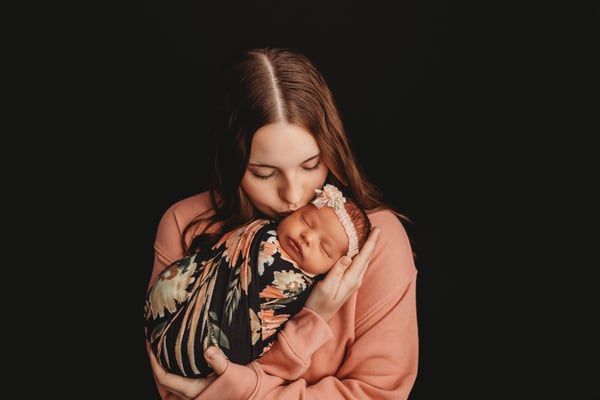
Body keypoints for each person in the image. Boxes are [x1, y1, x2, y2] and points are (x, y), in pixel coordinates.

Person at [146, 47, 419, 399]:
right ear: (231, 164)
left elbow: (378, 393)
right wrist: (311, 321)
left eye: (310, 165)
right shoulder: (185, 223)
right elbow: (174, 382)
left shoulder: (374, 241)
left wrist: (237, 390)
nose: (293, 195)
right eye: (264, 173)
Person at [145, 183, 371, 378]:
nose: (307, 236)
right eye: (306, 220)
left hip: (220, 340)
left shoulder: (302, 284)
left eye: (324, 248)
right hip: (181, 297)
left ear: (335, 267)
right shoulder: (260, 228)